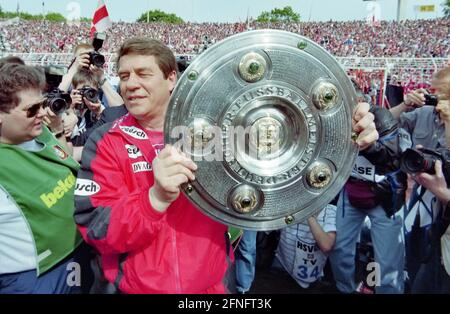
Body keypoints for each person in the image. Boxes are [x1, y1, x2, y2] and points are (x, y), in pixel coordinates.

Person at [74, 37, 378, 294]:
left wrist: (351, 131)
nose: (131, 85)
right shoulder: (105, 141)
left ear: (171, 79)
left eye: (143, 74)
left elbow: (292, 153)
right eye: (124, 76)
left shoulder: (225, 132)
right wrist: (154, 200)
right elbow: (95, 229)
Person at [0, 63, 89, 293]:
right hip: (36, 275)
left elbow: (65, 159)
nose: (42, 113)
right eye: (31, 109)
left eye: (42, 104)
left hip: (80, 250)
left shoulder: (41, 131)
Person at [390, 67, 450, 290]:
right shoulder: (424, 113)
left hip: (443, 201)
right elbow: (386, 123)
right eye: (435, 91)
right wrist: (406, 103)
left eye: (443, 93)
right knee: (415, 250)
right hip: (422, 194)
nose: (436, 97)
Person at [273, 204, 337, 291]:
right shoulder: (291, 205)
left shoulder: (330, 211)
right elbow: (283, 223)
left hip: (311, 276)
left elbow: (326, 245)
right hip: (283, 265)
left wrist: (308, 214)